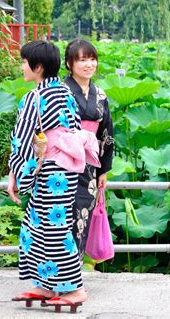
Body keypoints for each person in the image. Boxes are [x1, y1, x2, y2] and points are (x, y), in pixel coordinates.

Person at [7, 40, 99, 312]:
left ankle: (75, 290)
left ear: (37, 67)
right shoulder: (64, 91)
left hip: (51, 171)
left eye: (24, 62)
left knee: (52, 230)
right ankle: (44, 284)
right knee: (42, 226)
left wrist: (15, 173)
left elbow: (22, 141)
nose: (21, 66)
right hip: (67, 168)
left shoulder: (34, 98)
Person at [63, 39, 114, 260]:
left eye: (92, 59)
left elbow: (106, 134)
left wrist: (103, 170)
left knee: (83, 218)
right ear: (69, 64)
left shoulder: (100, 95)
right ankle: (57, 276)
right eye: (82, 60)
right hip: (62, 163)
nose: (89, 64)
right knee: (62, 220)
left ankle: (73, 276)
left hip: (89, 165)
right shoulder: (60, 92)